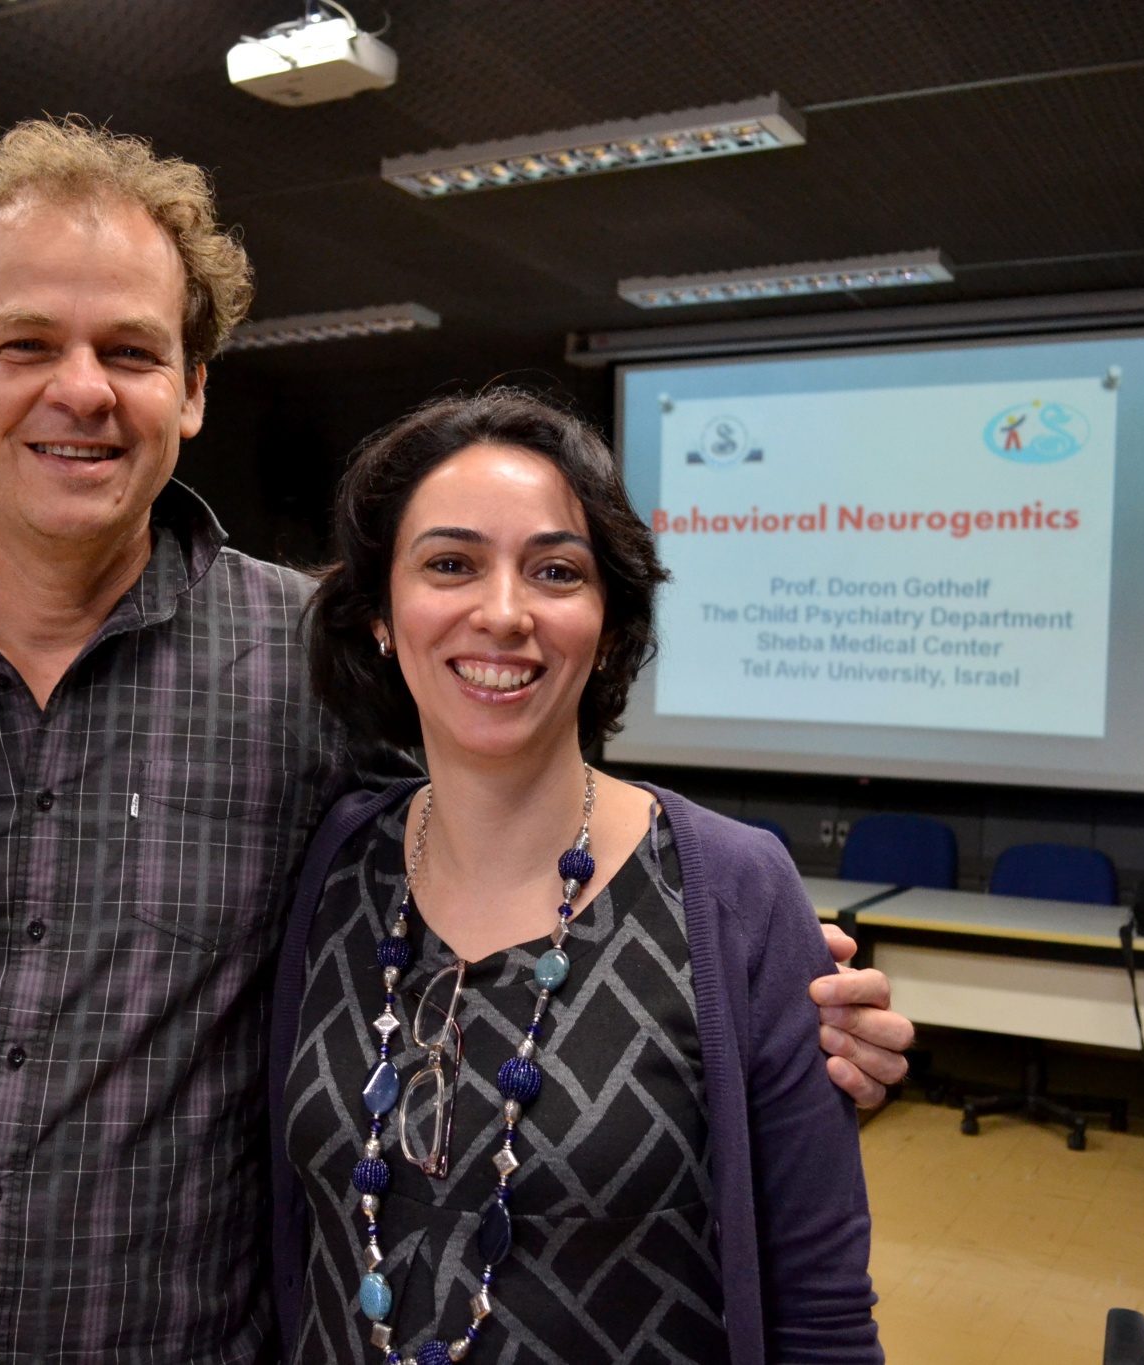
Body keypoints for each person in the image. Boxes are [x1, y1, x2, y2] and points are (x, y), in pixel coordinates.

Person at [0, 118, 908, 1364]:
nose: (81, 391)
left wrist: (770, 999)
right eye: (25, 343)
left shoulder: (315, 670)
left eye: (130, 349)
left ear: (195, 390)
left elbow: (511, 834)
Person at [272, 391, 879, 1363]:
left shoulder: (728, 892)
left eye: (554, 571)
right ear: (381, 614)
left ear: (605, 622)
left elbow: (819, 1310)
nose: (503, 612)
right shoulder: (334, 866)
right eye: (449, 564)